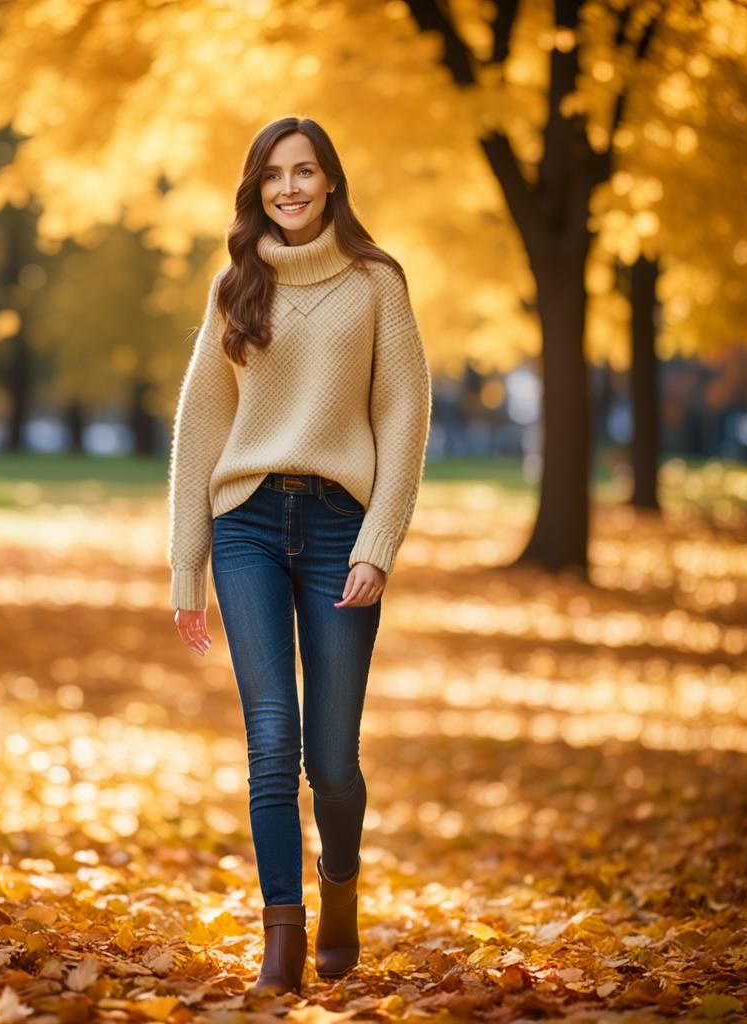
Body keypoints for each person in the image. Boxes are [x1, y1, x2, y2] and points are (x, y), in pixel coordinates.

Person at [166, 116, 431, 996]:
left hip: (336, 529)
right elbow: (202, 422)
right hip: (244, 520)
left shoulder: (376, 282)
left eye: (304, 171)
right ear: (257, 189)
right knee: (272, 741)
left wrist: (379, 542)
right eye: (274, 174)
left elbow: (403, 414)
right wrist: (186, 567)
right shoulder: (234, 285)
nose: (289, 187)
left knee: (332, 764)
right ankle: (282, 938)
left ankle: (340, 885)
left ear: (329, 182)